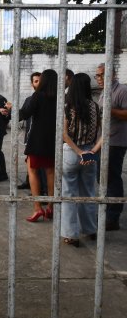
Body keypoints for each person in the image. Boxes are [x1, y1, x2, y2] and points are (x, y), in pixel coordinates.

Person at [6, 69, 57, 222]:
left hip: (37, 140)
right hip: (54, 139)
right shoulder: (61, 97)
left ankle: (37, 208)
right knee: (51, 173)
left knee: (33, 171)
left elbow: (25, 114)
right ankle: (51, 206)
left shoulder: (38, 96)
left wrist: (11, 110)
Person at [61, 73, 101, 247]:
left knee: (69, 194)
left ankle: (71, 235)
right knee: (88, 192)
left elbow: (64, 134)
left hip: (71, 152)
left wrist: (78, 152)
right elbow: (103, 133)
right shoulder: (95, 106)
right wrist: (91, 151)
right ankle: (91, 229)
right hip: (90, 153)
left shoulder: (67, 106)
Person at [93, 63, 127, 231]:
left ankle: (113, 217)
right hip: (103, 140)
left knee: (112, 177)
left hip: (116, 141)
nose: (98, 78)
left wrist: (109, 109)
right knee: (102, 177)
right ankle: (106, 208)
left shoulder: (121, 90)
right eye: (97, 76)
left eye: (101, 75)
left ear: (112, 74)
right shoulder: (104, 92)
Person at [17, 72, 41, 190]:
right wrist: (10, 112)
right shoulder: (28, 99)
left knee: (40, 165)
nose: (39, 83)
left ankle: (39, 189)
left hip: (41, 137)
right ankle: (29, 182)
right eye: (36, 81)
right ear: (32, 84)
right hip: (30, 135)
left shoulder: (50, 99)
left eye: (40, 80)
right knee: (29, 162)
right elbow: (22, 114)